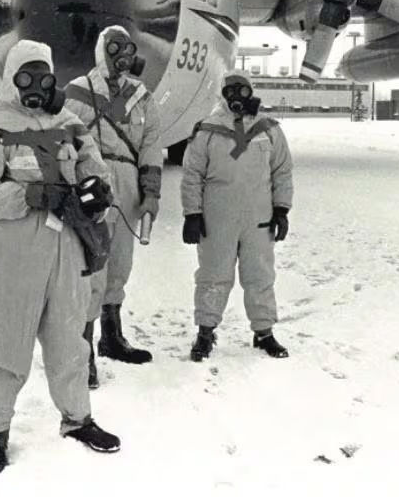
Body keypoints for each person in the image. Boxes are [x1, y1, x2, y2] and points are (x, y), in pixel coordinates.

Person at [0, 39, 121, 478]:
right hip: (13, 255)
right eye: (25, 76)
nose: (35, 85)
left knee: (70, 340)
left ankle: (77, 419)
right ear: (11, 80)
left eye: (43, 77)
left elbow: (97, 173)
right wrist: (28, 195)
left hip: (66, 250)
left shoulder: (71, 125)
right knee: (4, 345)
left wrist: (98, 194)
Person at [65, 25, 163, 389]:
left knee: (120, 263)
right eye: (114, 47)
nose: (122, 54)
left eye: (127, 48)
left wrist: (151, 193)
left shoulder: (141, 97)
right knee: (92, 267)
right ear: (101, 50)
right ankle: (84, 351)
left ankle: (111, 336)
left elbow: (151, 145)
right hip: (93, 185)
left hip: (128, 184)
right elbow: (64, 141)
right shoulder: (77, 92)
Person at [180, 69, 293, 362]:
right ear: (221, 93)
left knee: (260, 275)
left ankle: (264, 332)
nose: (236, 96)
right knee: (213, 275)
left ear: (251, 90)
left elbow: (282, 171)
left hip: (259, 218)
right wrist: (192, 213)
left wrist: (281, 209)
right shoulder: (208, 130)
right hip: (217, 218)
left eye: (242, 89)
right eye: (229, 90)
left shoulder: (268, 129)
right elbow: (192, 174)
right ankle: (205, 332)